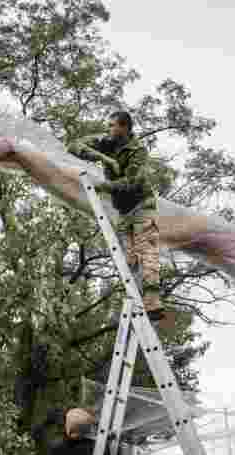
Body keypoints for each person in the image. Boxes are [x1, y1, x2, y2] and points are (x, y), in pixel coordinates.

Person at [68, 112, 167, 322]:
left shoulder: (138, 151)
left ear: (125, 128)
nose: (108, 129)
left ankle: (152, 299)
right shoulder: (107, 142)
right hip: (123, 211)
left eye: (112, 125)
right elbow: (75, 145)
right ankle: (138, 300)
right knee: (128, 259)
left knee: (146, 248)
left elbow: (131, 183)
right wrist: (104, 158)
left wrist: (103, 186)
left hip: (142, 207)